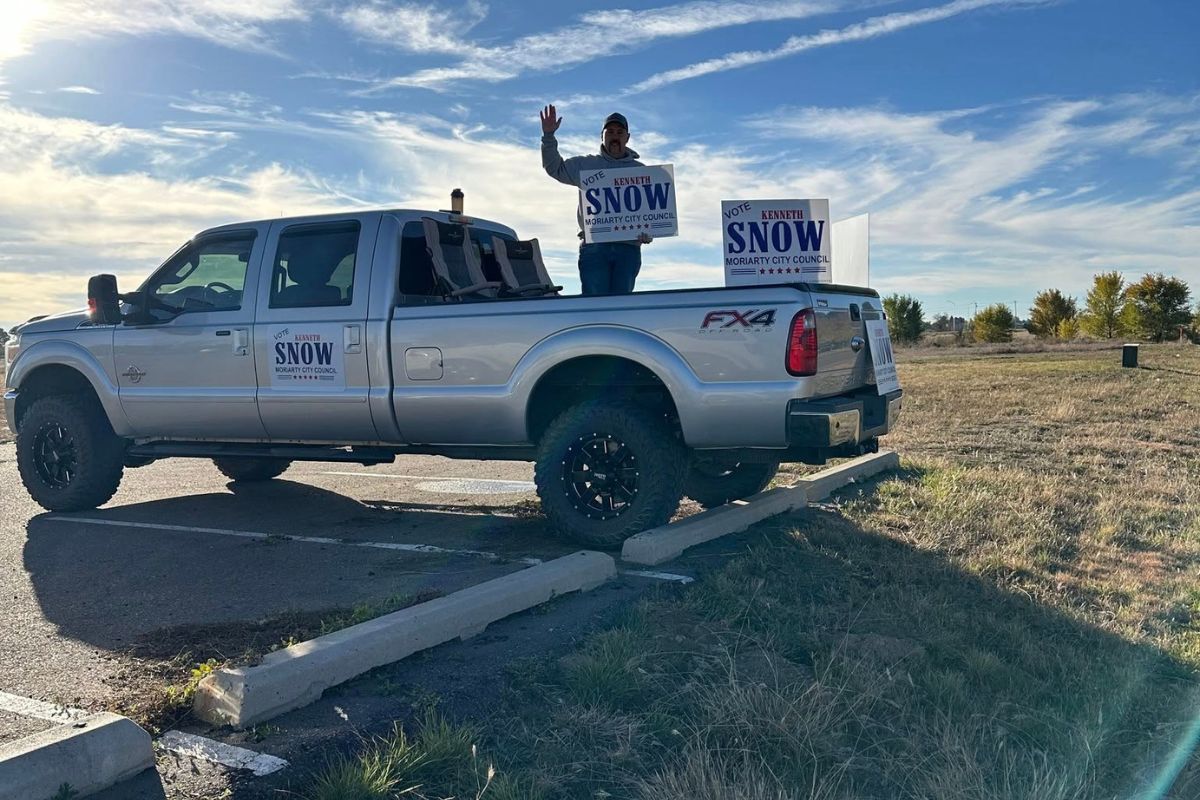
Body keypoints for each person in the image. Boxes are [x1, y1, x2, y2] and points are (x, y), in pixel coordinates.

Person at [541, 105, 652, 295]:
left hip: (628, 250)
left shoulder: (643, 171)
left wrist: (649, 232)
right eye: (610, 131)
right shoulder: (585, 165)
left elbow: (652, 214)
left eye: (619, 132)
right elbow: (555, 168)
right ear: (602, 136)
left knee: (622, 306)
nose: (614, 135)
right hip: (594, 248)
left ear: (627, 137)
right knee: (594, 304)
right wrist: (549, 137)